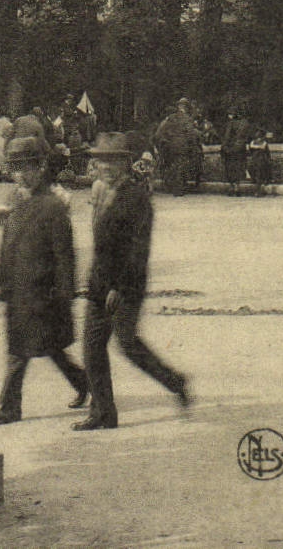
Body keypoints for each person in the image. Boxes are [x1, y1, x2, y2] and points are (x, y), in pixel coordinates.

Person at [74, 132, 189, 431]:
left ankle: (175, 382)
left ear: (126, 164)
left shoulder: (137, 198)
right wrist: (94, 280)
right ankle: (103, 414)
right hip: (101, 284)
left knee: (127, 344)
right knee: (91, 349)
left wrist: (120, 286)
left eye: (113, 162)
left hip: (127, 285)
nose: (106, 168)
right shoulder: (100, 192)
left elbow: (139, 250)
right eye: (101, 161)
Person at [0, 136, 88, 424]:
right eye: (15, 168)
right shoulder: (15, 202)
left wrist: (65, 292)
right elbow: (8, 244)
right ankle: (84, 383)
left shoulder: (53, 206)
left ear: (42, 167)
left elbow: (64, 254)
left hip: (44, 294)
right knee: (43, 349)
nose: (20, 175)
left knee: (25, 351)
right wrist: (1, 278)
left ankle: (10, 407)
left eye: (27, 168)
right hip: (19, 291)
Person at [220, 111, 252, 196]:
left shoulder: (231, 123)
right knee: (239, 167)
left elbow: (227, 136)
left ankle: (232, 188)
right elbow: (248, 136)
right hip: (241, 149)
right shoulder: (246, 123)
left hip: (231, 149)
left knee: (230, 167)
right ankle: (237, 187)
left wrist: (224, 147)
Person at [246, 130, 273, 196]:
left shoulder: (252, 142)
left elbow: (249, 151)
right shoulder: (264, 143)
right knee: (260, 175)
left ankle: (256, 188)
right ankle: (258, 191)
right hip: (261, 161)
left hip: (253, 161)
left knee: (254, 174)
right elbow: (268, 153)